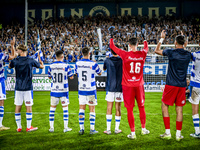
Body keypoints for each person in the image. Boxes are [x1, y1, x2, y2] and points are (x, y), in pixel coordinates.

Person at [109, 37, 150, 139]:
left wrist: (111, 38)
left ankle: (133, 133)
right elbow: (146, 48)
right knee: (141, 107)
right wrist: (144, 41)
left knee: (129, 110)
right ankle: (143, 129)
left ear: (129, 45)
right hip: (139, 85)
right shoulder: (142, 54)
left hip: (128, 86)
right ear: (137, 44)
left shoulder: (125, 54)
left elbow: (112, 47)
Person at [155, 30, 191, 141]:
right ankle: (178, 135)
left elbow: (156, 51)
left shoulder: (171, 52)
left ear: (175, 43)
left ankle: (168, 133)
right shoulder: (188, 55)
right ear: (184, 43)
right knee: (179, 109)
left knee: (164, 106)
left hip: (171, 84)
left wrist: (161, 38)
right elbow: (185, 46)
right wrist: (184, 38)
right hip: (182, 85)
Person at [9, 44, 44, 132]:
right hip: (28, 87)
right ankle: (28, 127)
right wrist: (40, 59)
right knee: (28, 106)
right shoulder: (30, 60)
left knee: (18, 106)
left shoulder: (15, 61)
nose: (16, 52)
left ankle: (19, 127)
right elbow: (42, 66)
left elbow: (9, 66)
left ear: (20, 51)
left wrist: (13, 51)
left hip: (18, 87)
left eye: (17, 50)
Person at [75, 47, 102, 135]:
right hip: (91, 89)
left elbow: (75, 73)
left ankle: (81, 129)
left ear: (82, 53)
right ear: (89, 54)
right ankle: (92, 129)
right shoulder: (93, 64)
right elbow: (100, 73)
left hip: (82, 89)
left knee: (81, 109)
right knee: (92, 109)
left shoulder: (77, 63)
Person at [48, 50, 74, 133]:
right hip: (63, 90)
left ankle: (51, 128)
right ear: (62, 57)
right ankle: (65, 128)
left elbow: (49, 77)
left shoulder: (51, 66)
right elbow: (71, 77)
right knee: (65, 109)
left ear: (55, 56)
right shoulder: (66, 65)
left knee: (52, 109)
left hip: (54, 90)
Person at [103, 49, 123, 135]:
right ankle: (116, 129)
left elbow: (104, 69)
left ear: (111, 52)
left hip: (110, 87)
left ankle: (108, 129)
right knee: (118, 108)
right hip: (119, 87)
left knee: (109, 107)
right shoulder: (122, 60)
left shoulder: (107, 60)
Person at [0, 37, 16, 131]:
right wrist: (12, 46)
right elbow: (13, 56)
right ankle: (0, 125)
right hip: (0, 80)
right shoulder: (1, 55)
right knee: (1, 102)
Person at [188, 42, 200, 138]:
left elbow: (184, 53)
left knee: (195, 110)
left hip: (196, 85)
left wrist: (185, 44)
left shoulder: (195, 55)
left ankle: (197, 132)